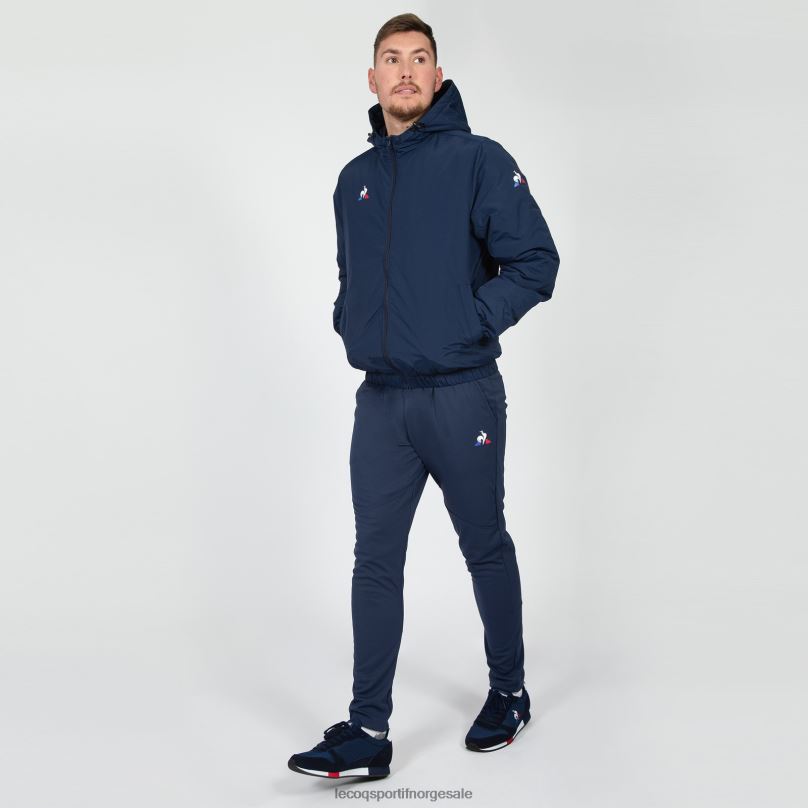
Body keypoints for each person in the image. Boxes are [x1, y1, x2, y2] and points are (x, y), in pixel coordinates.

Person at [288, 12, 560, 780]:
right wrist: (349, 321)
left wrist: (469, 321)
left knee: (484, 544)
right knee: (373, 560)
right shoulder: (354, 179)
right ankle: (367, 731)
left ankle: (509, 691)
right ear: (372, 78)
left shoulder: (479, 161)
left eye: (419, 59)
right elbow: (351, 276)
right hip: (381, 403)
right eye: (391, 59)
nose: (405, 71)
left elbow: (536, 262)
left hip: (461, 394)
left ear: (437, 78)